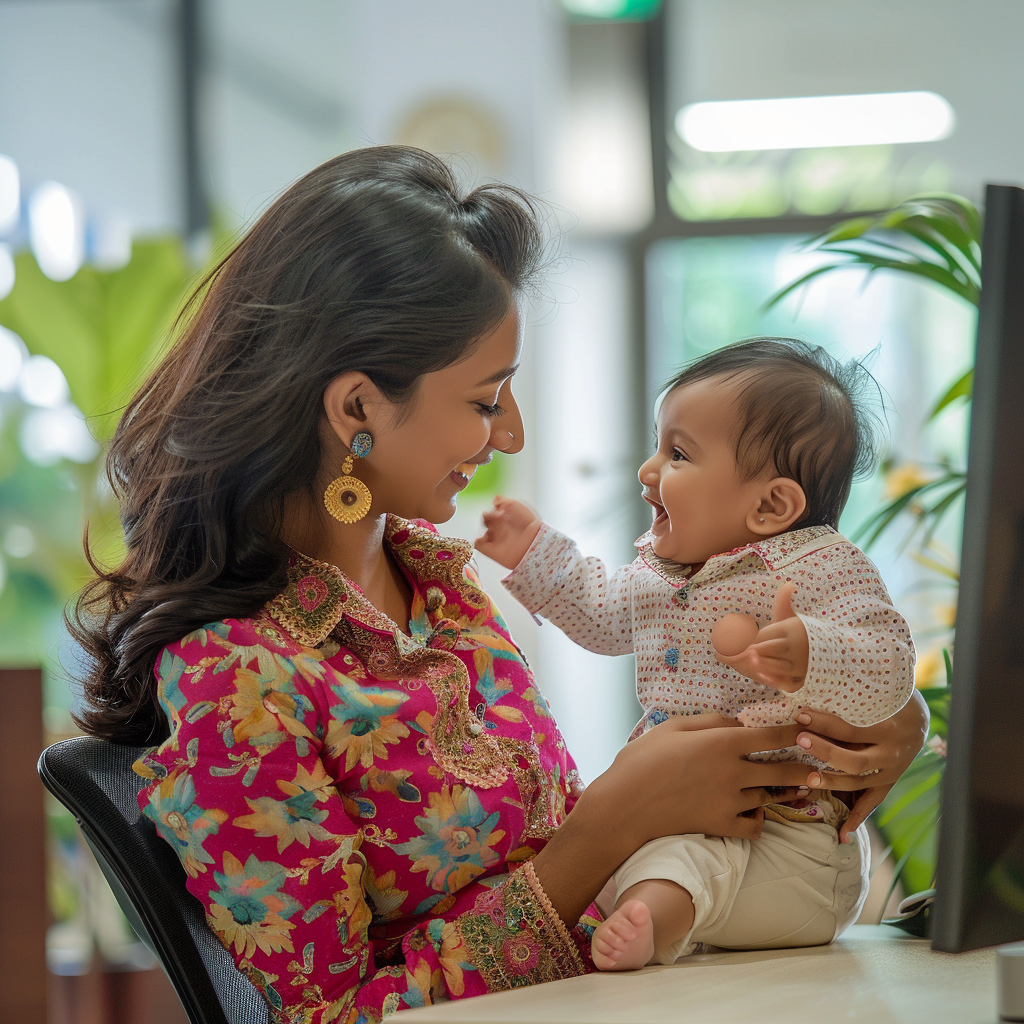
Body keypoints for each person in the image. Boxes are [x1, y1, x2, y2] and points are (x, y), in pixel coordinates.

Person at [70, 149, 928, 1023]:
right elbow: (331, 1018)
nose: (510, 435)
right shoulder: (234, 681)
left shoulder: (434, 580)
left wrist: (887, 721)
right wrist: (613, 825)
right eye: (487, 400)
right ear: (357, 409)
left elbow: (531, 843)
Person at [475, 338, 916, 971]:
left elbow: (890, 668)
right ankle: (646, 912)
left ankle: (652, 923)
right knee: (639, 856)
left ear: (772, 506)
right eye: (658, 446)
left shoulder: (821, 568)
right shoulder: (664, 574)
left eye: (677, 453)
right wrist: (535, 552)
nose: (647, 470)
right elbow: (600, 610)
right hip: (697, 819)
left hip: (786, 840)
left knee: (682, 862)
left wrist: (813, 653)